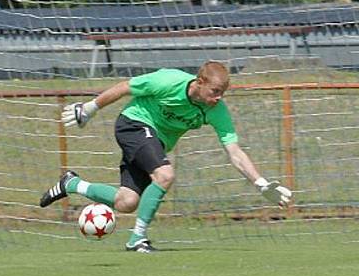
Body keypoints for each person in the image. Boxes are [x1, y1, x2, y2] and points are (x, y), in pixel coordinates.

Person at [40, 61, 292, 253]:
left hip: (154, 143)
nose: (218, 98)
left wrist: (260, 183)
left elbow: (234, 151)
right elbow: (126, 87)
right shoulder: (168, 80)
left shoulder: (216, 110)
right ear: (199, 81)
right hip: (134, 124)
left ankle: (71, 183)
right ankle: (138, 238)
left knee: (126, 202)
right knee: (165, 174)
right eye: (215, 91)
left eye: (222, 93)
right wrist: (89, 108)